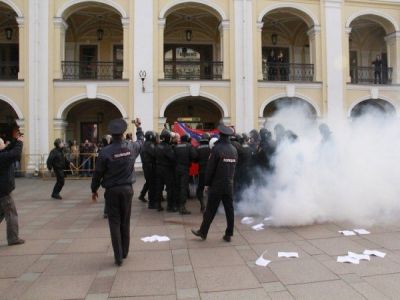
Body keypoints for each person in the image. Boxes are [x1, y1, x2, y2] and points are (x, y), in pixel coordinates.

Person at [91, 118, 144, 266]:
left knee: (114, 222)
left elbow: (98, 173)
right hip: (127, 190)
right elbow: (141, 141)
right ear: (123, 133)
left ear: (111, 134)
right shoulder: (130, 147)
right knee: (125, 221)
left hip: (112, 191)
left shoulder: (105, 152)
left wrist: (94, 189)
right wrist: (139, 127)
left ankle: (118, 256)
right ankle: (125, 251)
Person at [191, 124, 238, 242]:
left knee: (210, 210)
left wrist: (207, 183)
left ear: (220, 135)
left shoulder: (217, 149)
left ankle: (203, 232)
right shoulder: (233, 150)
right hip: (229, 184)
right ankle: (229, 234)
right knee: (229, 209)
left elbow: (210, 168)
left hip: (217, 185)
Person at [0, 135, 25, 246]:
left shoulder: (2, 154)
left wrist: (15, 140)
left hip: (2, 190)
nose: (4, 144)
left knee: (1, 213)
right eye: (2, 143)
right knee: (11, 214)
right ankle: (13, 238)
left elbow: (8, 149)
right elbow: (15, 154)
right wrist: (19, 143)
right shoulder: (2, 157)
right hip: (4, 191)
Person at [174, 134, 197, 214]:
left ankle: (176, 205)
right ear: (187, 139)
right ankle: (182, 207)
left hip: (176, 169)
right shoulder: (189, 146)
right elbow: (194, 156)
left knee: (177, 187)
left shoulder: (176, 146)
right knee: (183, 187)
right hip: (184, 169)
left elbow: (173, 157)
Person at [155, 130, 176, 212]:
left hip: (158, 168)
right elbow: (172, 158)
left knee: (159, 187)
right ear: (167, 138)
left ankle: (158, 205)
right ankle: (170, 206)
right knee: (170, 187)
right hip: (167, 169)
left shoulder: (157, 146)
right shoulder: (168, 147)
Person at [141, 131, 157, 208]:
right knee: (152, 184)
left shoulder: (146, 144)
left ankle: (142, 195)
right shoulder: (149, 144)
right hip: (149, 166)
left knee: (149, 182)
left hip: (147, 166)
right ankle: (151, 203)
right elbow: (154, 153)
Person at [196, 133, 211, 212]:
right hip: (211, 171)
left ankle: (202, 204)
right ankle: (210, 205)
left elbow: (195, 158)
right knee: (211, 188)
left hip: (202, 171)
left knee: (200, 189)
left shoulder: (198, 148)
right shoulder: (211, 147)